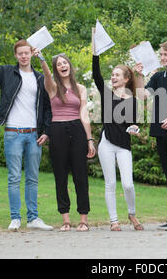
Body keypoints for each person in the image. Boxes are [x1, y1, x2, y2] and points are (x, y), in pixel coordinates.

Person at [0, 27, 53, 231]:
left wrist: (46, 131)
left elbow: (47, 108)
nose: (24, 56)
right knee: (14, 178)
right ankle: (15, 218)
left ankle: (33, 218)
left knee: (33, 178)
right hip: (13, 134)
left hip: (34, 134)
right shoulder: (7, 72)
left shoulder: (39, 78)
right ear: (16, 55)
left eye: (27, 53)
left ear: (31, 54)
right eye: (20, 53)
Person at [33, 49, 95, 232]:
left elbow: (84, 114)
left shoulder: (81, 88)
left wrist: (90, 139)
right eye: (58, 64)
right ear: (55, 68)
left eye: (65, 62)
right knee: (61, 177)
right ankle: (66, 219)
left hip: (77, 130)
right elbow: (45, 73)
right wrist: (42, 59)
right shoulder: (52, 87)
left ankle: (83, 219)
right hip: (58, 131)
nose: (62, 65)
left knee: (80, 176)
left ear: (70, 65)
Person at [91, 29, 143, 231]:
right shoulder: (106, 94)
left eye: (116, 75)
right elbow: (96, 75)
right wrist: (95, 53)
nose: (112, 77)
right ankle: (113, 220)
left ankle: (131, 214)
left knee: (128, 184)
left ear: (125, 79)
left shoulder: (132, 99)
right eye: (112, 75)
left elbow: (132, 123)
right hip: (107, 143)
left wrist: (134, 128)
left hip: (124, 145)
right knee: (110, 184)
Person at [133, 40, 167, 230]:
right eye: (161, 55)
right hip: (160, 133)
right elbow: (142, 95)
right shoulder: (158, 77)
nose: (162, 58)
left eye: (166, 55)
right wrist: (139, 75)